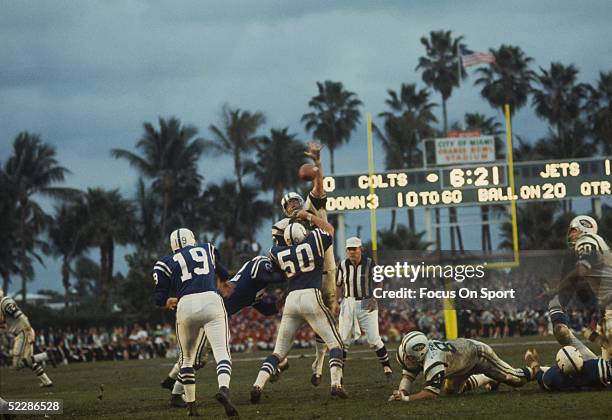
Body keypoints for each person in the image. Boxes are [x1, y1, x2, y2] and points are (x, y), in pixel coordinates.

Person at [161, 255, 288, 406]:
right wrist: (289, 274)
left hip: (217, 314)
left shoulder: (259, 289)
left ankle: (172, 381)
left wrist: (286, 297)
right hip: (212, 309)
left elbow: (267, 310)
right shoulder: (262, 262)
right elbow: (261, 274)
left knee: (197, 358)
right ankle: (175, 393)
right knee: (196, 359)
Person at [251, 211, 347, 403]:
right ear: (303, 234)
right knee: (336, 344)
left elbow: (275, 257)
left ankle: (257, 385)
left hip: (291, 300)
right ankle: (336, 384)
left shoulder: (277, 252)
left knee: (278, 352)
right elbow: (329, 229)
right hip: (311, 295)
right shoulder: (313, 241)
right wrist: (308, 216)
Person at [271, 141, 339, 381]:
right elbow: (280, 257)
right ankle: (281, 359)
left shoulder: (309, 209)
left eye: (296, 202)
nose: (295, 206)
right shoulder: (280, 228)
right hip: (302, 278)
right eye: (290, 204)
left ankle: (319, 364)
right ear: (283, 208)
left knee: (329, 315)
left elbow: (318, 188)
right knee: (295, 321)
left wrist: (317, 164)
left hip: (326, 268)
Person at [153, 228, 237, 417]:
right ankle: (224, 389)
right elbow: (223, 271)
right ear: (192, 239)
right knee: (222, 351)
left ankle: (192, 406)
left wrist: (166, 301)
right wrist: (223, 281)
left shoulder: (165, 262)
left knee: (186, 358)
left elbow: (159, 296)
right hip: (210, 301)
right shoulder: (206, 248)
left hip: (185, 305)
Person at [311, 236, 391, 386]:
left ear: (361, 249)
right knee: (343, 340)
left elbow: (379, 282)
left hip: (367, 300)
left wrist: (375, 298)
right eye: (349, 249)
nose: (352, 252)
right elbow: (339, 285)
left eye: (354, 249)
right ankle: (339, 375)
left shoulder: (370, 264)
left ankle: (387, 367)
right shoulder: (342, 265)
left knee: (374, 339)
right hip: (348, 302)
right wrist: (338, 303)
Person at [389, 331, 537, 402]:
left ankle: (537, 367)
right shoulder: (417, 352)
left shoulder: (433, 361)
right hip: (459, 364)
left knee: (516, 380)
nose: (407, 361)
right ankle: (487, 379)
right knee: (451, 392)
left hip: (478, 354)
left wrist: (406, 399)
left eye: (409, 358)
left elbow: (431, 394)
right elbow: (408, 374)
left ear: (420, 354)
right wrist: (401, 392)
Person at [0, 289, 54, 388]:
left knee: (17, 364)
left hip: (23, 332)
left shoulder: (5, 302)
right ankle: (47, 381)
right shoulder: (2, 304)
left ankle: (45, 356)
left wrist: (29, 331)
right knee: (28, 361)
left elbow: (20, 317)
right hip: (22, 332)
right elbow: (4, 324)